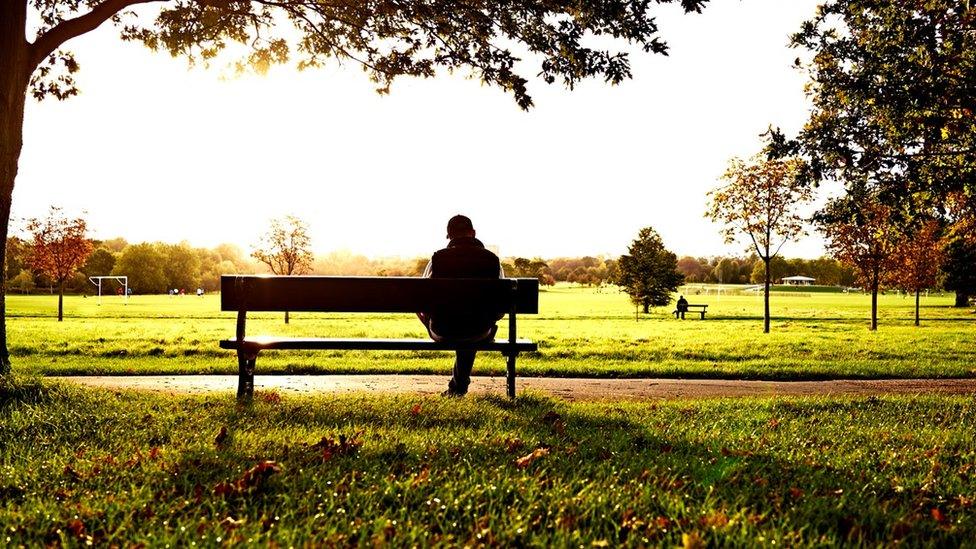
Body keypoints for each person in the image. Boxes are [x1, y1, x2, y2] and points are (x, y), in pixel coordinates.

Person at [418, 215, 504, 397]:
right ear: (473, 233)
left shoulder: (437, 259)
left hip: (443, 329)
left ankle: (458, 388)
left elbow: (421, 298)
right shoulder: (492, 260)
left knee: (461, 324)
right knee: (471, 328)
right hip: (479, 329)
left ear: (448, 236)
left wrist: (429, 316)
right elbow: (500, 306)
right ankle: (458, 387)